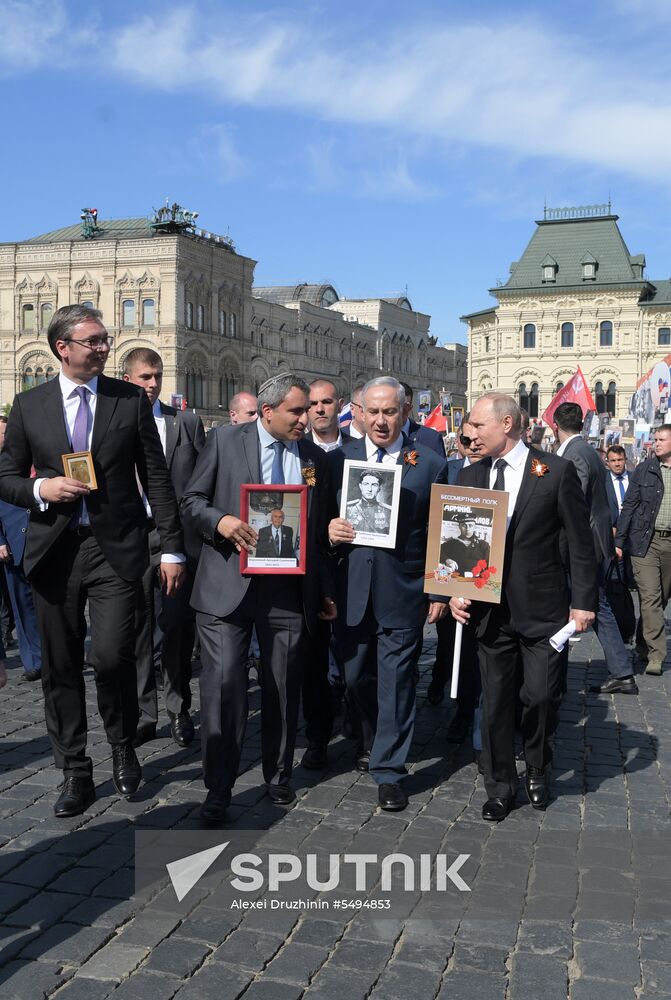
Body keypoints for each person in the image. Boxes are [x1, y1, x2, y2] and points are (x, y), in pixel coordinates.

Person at [0, 304, 184, 817]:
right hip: (54, 550)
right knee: (60, 667)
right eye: (94, 341)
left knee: (111, 655)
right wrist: (42, 486)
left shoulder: (128, 400)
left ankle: (123, 746)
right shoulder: (29, 404)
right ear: (63, 348)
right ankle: (75, 771)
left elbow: (157, 478)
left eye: (106, 339)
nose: (105, 347)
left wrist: (170, 546)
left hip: (115, 549)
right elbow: (5, 476)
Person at [181, 372, 336, 824]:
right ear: (267, 412)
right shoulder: (226, 442)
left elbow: (319, 529)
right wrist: (222, 521)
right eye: (296, 411)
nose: (305, 419)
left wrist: (324, 590)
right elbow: (190, 502)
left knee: (284, 687)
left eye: (307, 410)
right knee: (225, 687)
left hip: (287, 592)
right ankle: (219, 786)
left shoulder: (313, 459)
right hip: (226, 588)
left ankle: (278, 774)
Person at [451, 393, 596, 822]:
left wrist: (583, 602)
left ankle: (537, 763)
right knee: (495, 703)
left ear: (508, 424)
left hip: (544, 610)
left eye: (478, 425)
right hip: (489, 614)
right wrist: (455, 590)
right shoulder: (468, 476)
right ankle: (500, 785)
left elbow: (581, 543)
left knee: (541, 697)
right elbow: (453, 546)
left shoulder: (554, 471)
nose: (469, 433)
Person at [329, 376, 449, 812]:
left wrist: (438, 589)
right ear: (359, 413)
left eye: (390, 412)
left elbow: (442, 532)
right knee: (356, 676)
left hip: (405, 589)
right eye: (373, 412)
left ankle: (390, 771)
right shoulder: (337, 459)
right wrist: (329, 530)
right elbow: (317, 517)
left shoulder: (430, 464)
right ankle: (371, 735)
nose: (381, 421)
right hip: (351, 590)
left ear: (405, 413)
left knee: (398, 681)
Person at [123, 348, 205, 749]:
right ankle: (145, 711)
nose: (153, 384)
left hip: (178, 541)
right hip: (134, 540)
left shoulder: (185, 424)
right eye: (144, 377)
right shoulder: (114, 424)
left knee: (176, 626)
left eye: (156, 376)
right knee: (139, 628)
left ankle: (179, 707)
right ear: (128, 380)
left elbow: (203, 481)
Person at [552, 403, 636, 695]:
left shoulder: (575, 454)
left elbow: (573, 503)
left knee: (595, 605)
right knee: (596, 606)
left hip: (585, 546)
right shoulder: (587, 450)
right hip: (593, 541)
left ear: (555, 426)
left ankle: (622, 672)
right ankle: (620, 670)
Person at [615, 424, 671, 676]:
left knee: (660, 599)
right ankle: (657, 654)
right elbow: (629, 506)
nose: (656, 443)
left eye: (661, 439)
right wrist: (619, 542)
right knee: (649, 597)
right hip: (645, 543)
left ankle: (641, 643)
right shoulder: (645, 469)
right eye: (655, 439)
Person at [400, 381, 446, 457]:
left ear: (410, 407)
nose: (399, 410)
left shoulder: (431, 439)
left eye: (404, 406)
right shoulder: (376, 435)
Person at [308, 379, 350, 451]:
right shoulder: (296, 448)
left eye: (326, 402)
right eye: (313, 404)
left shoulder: (361, 449)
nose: (319, 409)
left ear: (340, 406)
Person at [345, 469, 392, 534]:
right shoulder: (348, 508)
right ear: (360, 486)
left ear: (379, 488)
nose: (370, 489)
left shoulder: (388, 511)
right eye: (366, 484)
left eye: (374, 485)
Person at [605, 444, 629, 524]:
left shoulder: (635, 479)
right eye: (613, 460)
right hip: (610, 530)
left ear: (625, 460)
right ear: (607, 462)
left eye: (620, 459)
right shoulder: (602, 481)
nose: (617, 464)